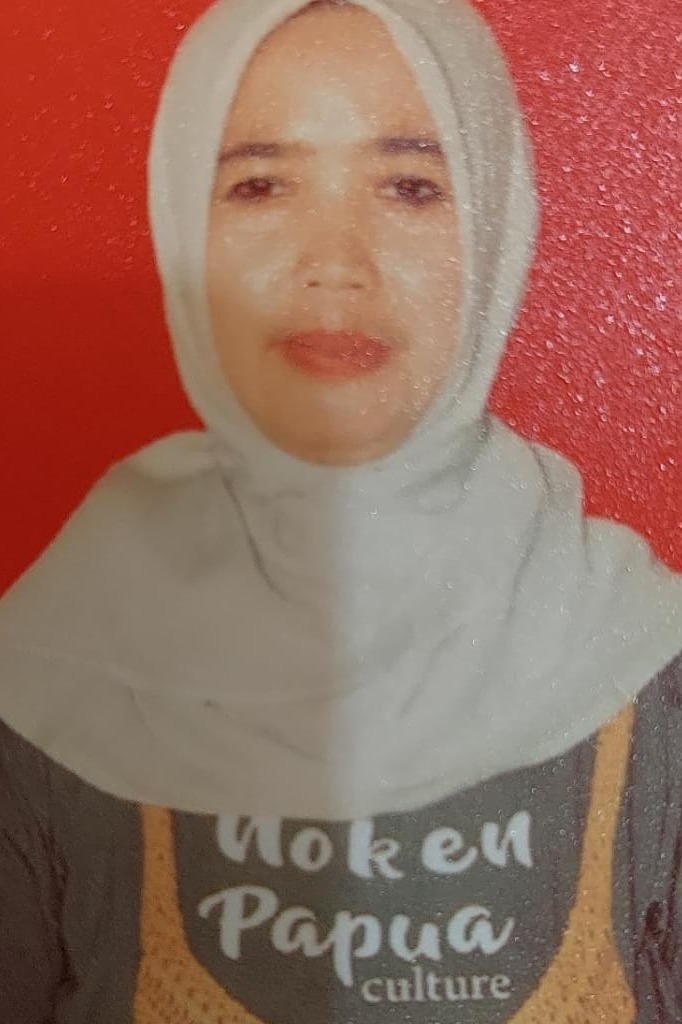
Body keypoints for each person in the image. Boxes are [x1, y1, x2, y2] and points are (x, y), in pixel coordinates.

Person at [0, 0, 681, 1020]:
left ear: (496, 224)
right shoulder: (51, 669)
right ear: (181, 221)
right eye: (261, 184)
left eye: (409, 186)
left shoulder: (641, 660)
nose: (334, 261)